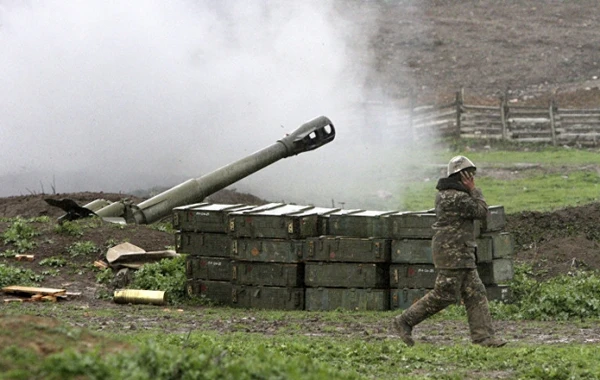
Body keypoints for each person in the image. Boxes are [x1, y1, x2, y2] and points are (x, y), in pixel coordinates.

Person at [392, 155, 506, 348]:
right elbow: (481, 211)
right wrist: (474, 190)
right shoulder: (456, 196)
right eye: (468, 174)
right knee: (444, 294)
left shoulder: (448, 194)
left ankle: (484, 338)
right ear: (461, 175)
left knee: (475, 292)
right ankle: (405, 321)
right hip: (452, 253)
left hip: (460, 252)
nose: (472, 178)